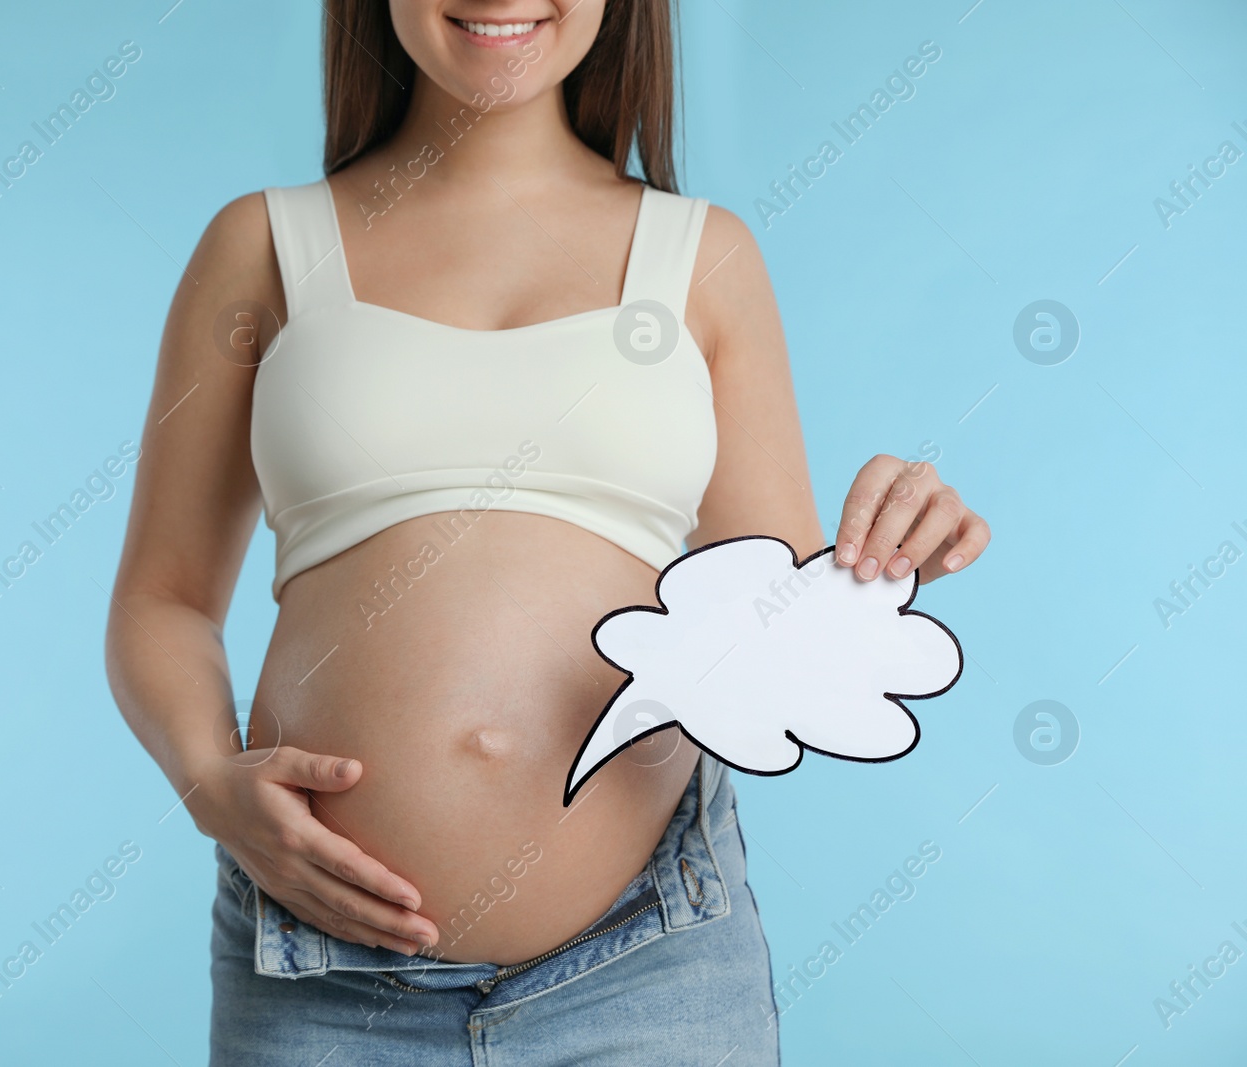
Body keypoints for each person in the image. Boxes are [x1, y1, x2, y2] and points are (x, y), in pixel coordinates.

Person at [103, 2, 991, 1062]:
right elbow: (163, 598)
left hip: (649, 959)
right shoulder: (263, 246)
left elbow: (774, 613)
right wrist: (211, 784)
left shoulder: (704, 256)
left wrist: (890, 545)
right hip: (326, 972)